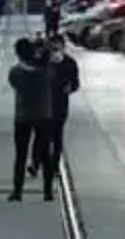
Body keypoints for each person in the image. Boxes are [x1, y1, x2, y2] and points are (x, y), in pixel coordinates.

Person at [8, 38, 55, 202]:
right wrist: (43, 52)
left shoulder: (16, 72)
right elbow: (51, 73)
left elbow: (13, 83)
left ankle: (17, 191)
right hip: (43, 115)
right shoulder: (45, 71)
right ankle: (48, 192)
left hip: (22, 116)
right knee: (45, 154)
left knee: (20, 154)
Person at [30, 34, 79, 178]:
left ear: (63, 47)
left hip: (60, 106)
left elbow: (76, 83)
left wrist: (70, 88)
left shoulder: (70, 63)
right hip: (42, 106)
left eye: (58, 46)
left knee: (57, 137)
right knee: (41, 136)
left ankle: (55, 166)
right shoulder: (41, 62)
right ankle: (35, 164)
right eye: (53, 46)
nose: (56, 49)